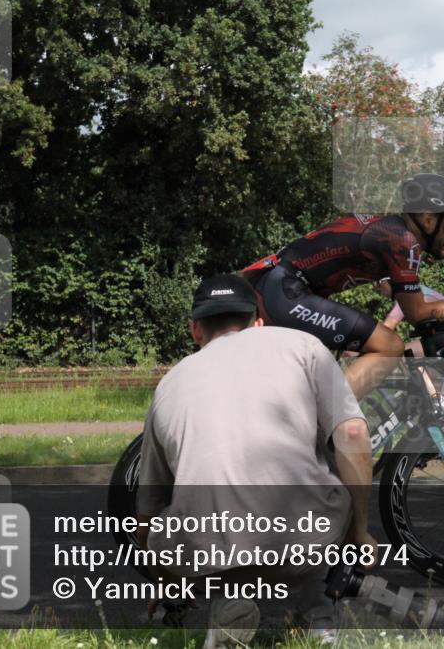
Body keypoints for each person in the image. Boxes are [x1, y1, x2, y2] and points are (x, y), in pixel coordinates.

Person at [136, 274, 374, 647]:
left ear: (195, 330)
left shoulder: (169, 383)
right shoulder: (303, 346)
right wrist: (360, 531)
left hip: (203, 559)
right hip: (301, 546)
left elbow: (148, 510)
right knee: (328, 469)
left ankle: (228, 604)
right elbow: (354, 435)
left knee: (193, 525)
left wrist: (166, 583)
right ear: (259, 321)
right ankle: (318, 623)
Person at [241, 173, 444, 399]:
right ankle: (329, 425)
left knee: (328, 369)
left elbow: (408, 300)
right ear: (428, 218)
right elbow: (418, 313)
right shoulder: (400, 241)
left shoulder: (392, 232)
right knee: (388, 345)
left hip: (281, 286)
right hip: (286, 290)